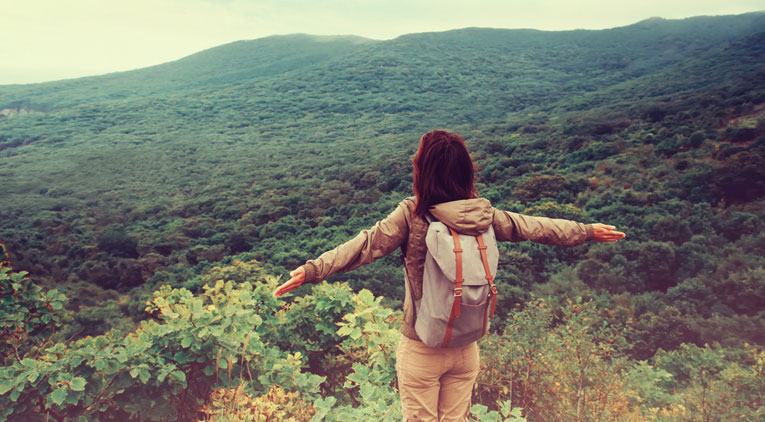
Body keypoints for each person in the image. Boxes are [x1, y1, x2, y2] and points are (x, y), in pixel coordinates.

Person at [273, 130, 625, 422]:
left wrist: (311, 270)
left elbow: (364, 245)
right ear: (464, 172)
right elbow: (534, 226)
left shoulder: (413, 214)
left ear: (422, 171)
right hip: (466, 346)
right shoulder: (481, 212)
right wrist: (586, 230)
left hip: (422, 348)